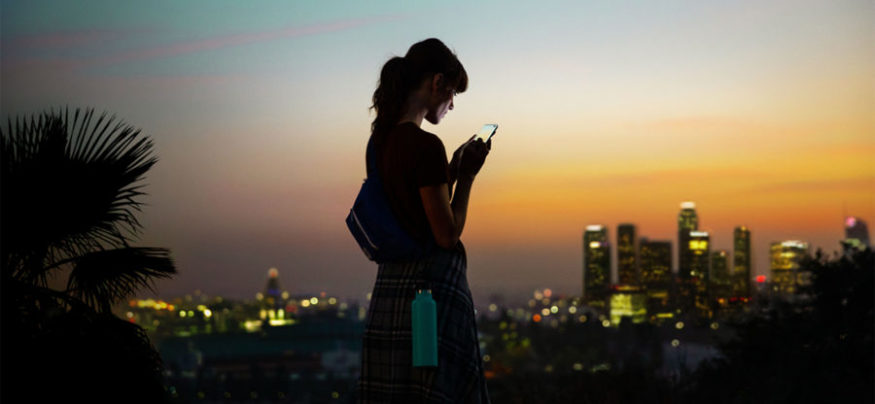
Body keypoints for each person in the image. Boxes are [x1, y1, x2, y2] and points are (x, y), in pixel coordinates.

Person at [356, 38, 492, 403]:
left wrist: (450, 169)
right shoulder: (426, 145)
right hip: (428, 297)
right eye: (453, 94)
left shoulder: (380, 142)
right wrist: (466, 177)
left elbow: (411, 206)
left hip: (390, 293)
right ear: (437, 83)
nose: (452, 105)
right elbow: (446, 233)